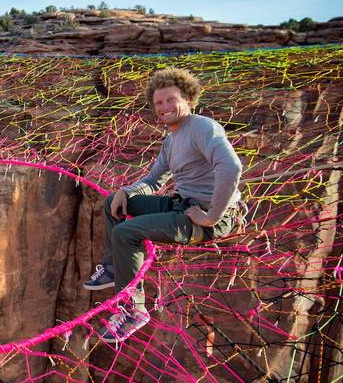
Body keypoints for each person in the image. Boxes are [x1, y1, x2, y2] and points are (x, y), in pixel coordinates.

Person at [84, 68, 244, 343]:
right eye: (159, 103)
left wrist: (212, 217)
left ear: (188, 99)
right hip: (182, 206)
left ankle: (133, 310)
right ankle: (113, 268)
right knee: (113, 202)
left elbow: (231, 168)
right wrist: (126, 191)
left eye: (171, 100)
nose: (164, 107)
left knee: (126, 232)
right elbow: (155, 179)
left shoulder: (202, 127)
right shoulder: (172, 139)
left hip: (206, 219)